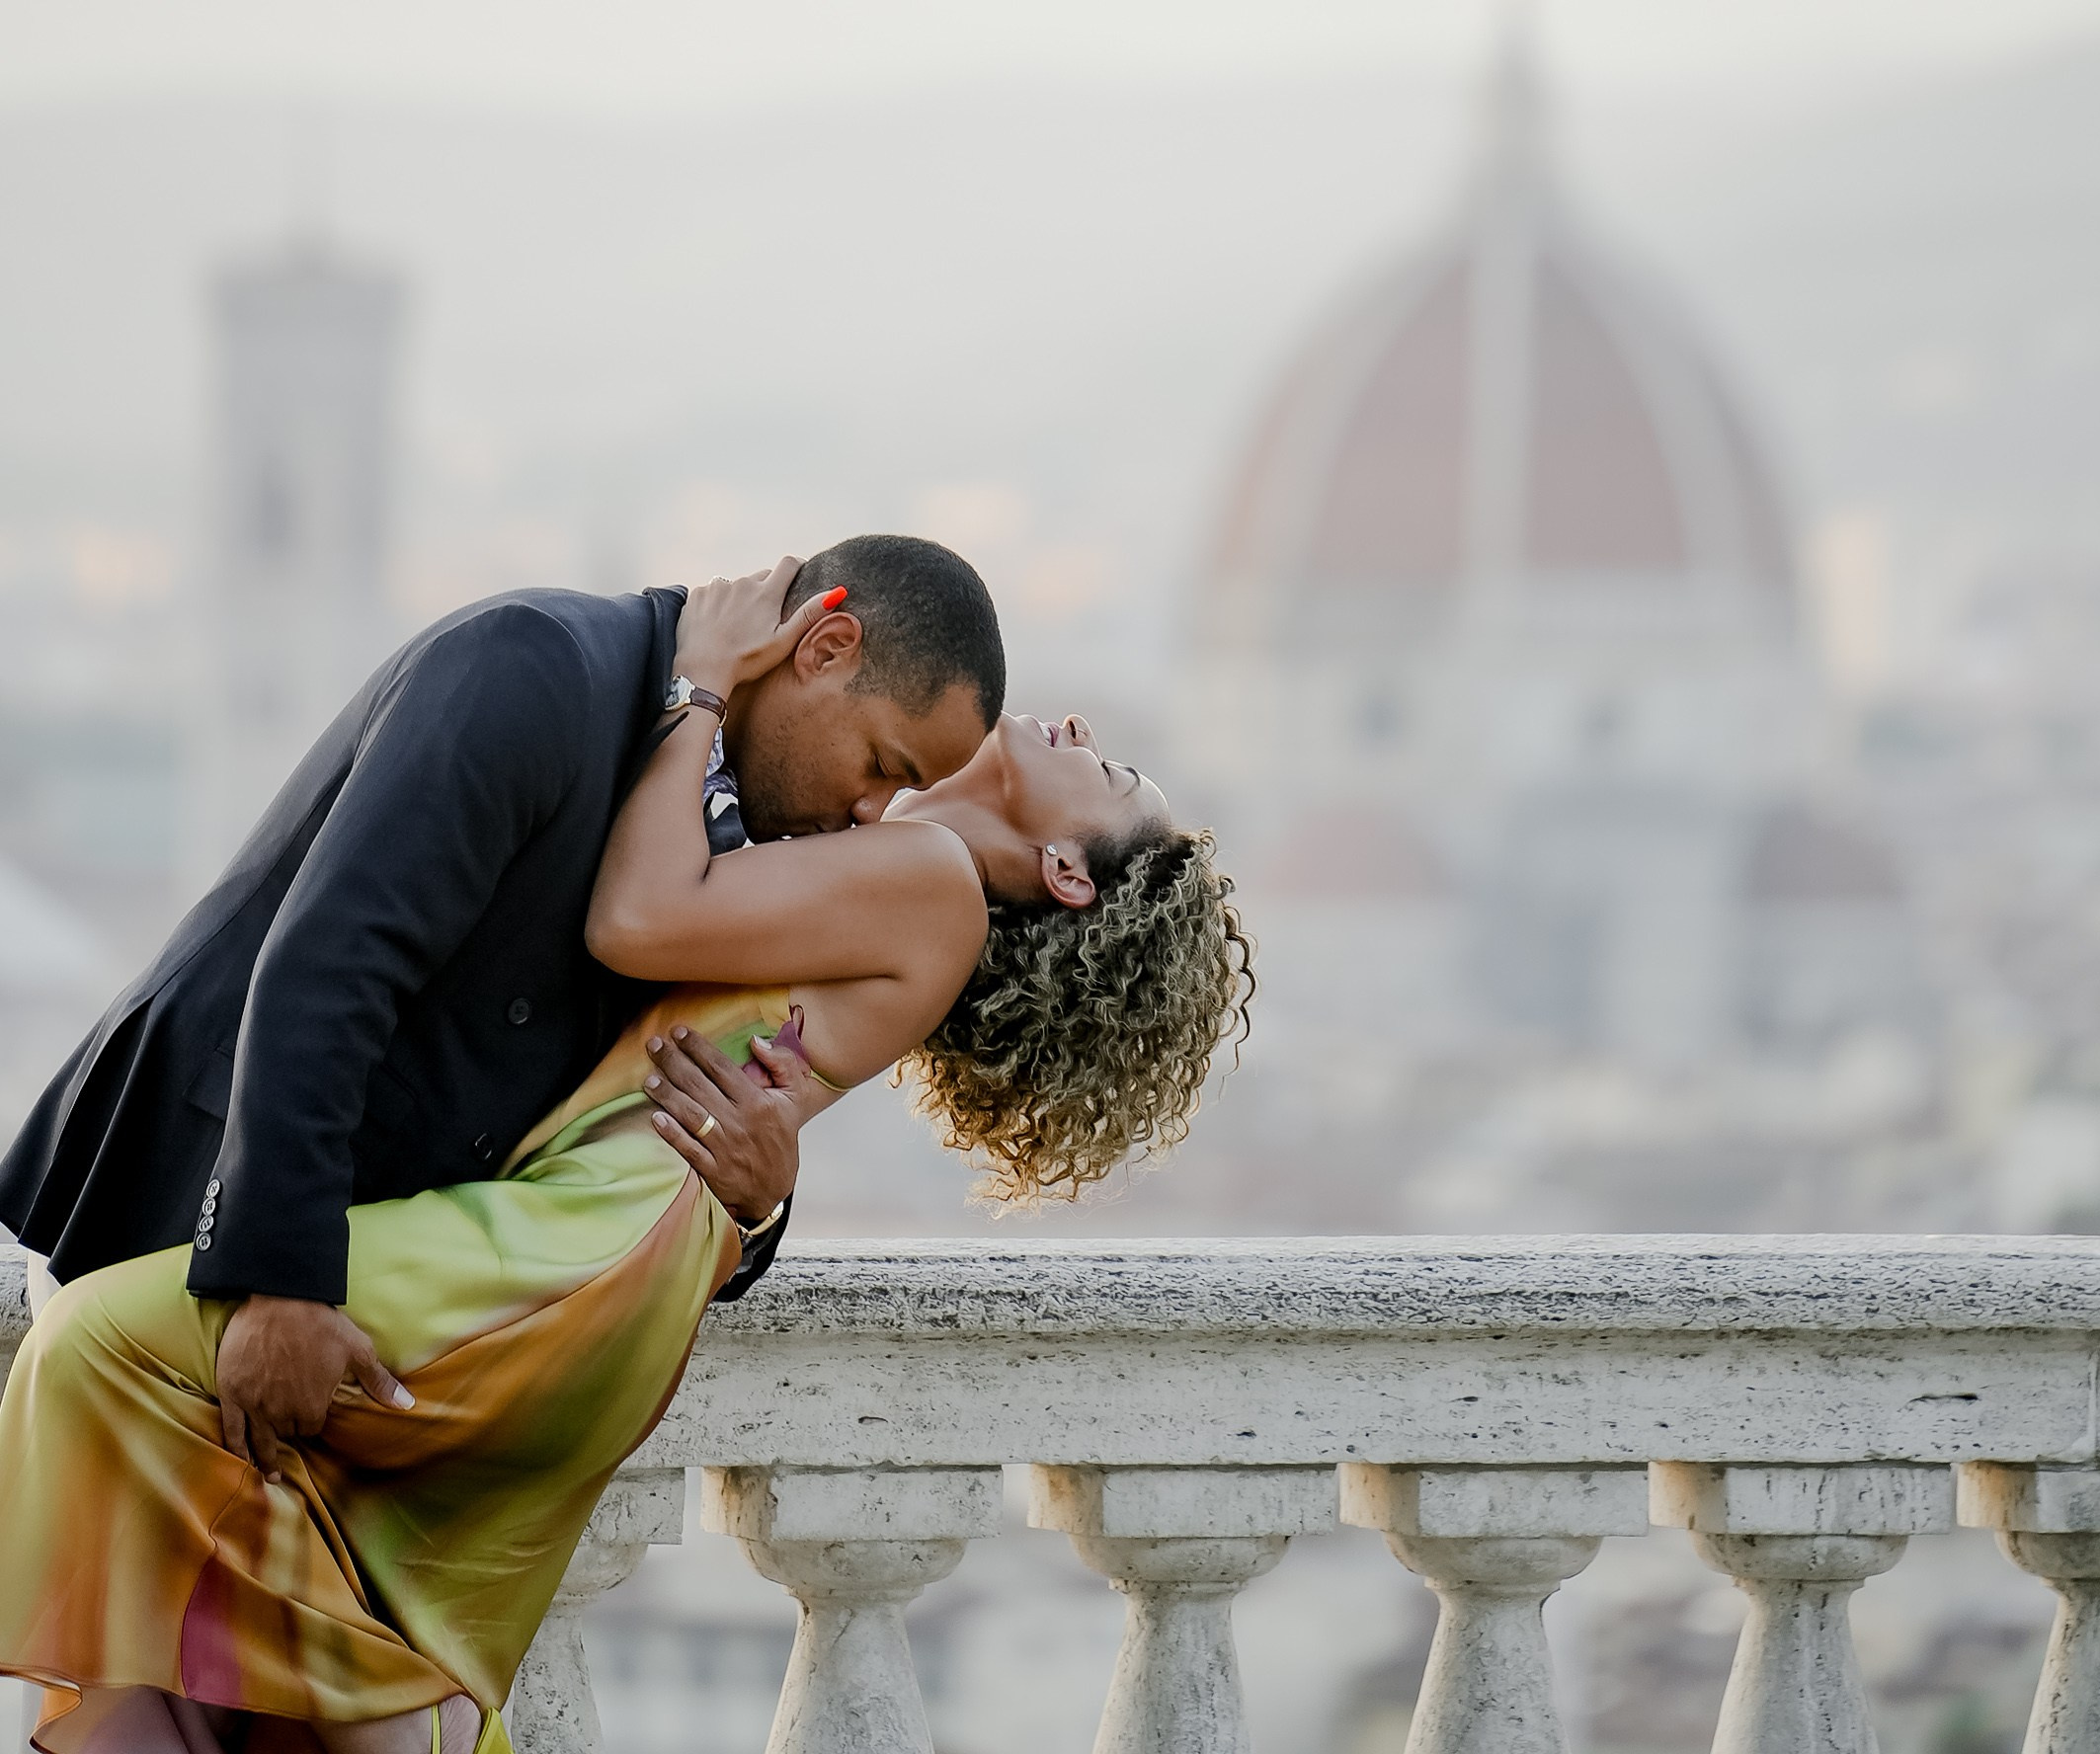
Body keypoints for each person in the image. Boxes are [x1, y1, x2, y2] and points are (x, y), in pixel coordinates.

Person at [0, 566, 1252, 1754]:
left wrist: (697, 691)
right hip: (599, 1237)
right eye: (879, 763)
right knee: (319, 1574)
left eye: (1111, 771)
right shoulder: (871, 866)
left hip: (586, 1239)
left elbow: (637, 918)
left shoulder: (928, 882)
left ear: (1067, 873)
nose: (1080, 728)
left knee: (100, 1352)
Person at [0, 537, 1008, 1472]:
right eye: (883, 765)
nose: (871, 811)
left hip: (364, 1302)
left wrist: (760, 1203)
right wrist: (281, 1281)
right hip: (191, 1209)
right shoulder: (536, 661)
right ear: (826, 649)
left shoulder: (722, 817)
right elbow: (332, 963)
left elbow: (636, 1111)